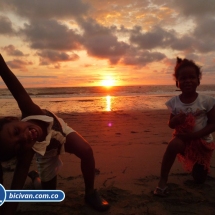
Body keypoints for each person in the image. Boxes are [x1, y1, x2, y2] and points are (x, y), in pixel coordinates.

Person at [0, 54, 110, 214]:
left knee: (86, 151)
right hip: (45, 154)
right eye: (19, 145)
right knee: (48, 195)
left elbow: (8, 76)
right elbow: (16, 186)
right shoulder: (27, 152)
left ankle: (90, 193)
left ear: (13, 119)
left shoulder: (29, 109)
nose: (24, 137)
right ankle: (35, 178)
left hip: (60, 131)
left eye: (16, 131)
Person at [154, 57, 215, 197]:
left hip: (202, 143)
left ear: (198, 81)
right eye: (183, 78)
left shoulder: (207, 101)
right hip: (183, 141)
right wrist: (175, 120)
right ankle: (162, 181)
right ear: (177, 82)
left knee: (199, 180)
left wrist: (194, 135)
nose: (188, 81)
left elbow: (213, 124)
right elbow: (171, 125)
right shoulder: (175, 102)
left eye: (192, 77)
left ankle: (196, 166)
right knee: (173, 145)